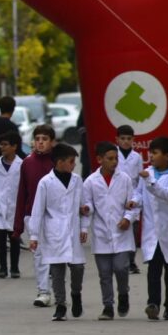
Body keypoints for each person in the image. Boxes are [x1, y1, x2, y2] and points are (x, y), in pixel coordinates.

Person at [28, 144, 85, 321]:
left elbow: (83, 206)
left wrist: (84, 227)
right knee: (57, 271)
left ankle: (76, 294)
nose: (73, 165)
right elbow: (38, 210)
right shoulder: (45, 182)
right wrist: (34, 236)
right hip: (54, 231)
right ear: (59, 162)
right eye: (70, 162)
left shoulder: (77, 180)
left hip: (73, 230)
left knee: (77, 268)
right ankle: (60, 305)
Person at [81, 142, 135, 320]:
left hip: (121, 232)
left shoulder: (125, 179)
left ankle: (123, 294)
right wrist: (86, 211)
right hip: (101, 232)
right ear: (99, 159)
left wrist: (128, 218)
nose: (114, 162)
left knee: (121, 268)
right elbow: (88, 203)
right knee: (104, 274)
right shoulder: (90, 181)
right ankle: (108, 306)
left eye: (116, 158)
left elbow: (133, 203)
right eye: (110, 159)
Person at [13, 124, 56, 307]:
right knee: (38, 254)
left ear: (52, 142)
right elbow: (22, 193)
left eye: (44, 139)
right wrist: (18, 226)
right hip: (32, 215)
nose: (40, 143)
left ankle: (58, 288)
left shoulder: (58, 162)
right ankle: (43, 291)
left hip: (55, 216)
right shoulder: (27, 163)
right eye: (38, 139)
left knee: (55, 254)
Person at [128, 136, 168, 320]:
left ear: (167, 156)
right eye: (150, 153)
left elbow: (167, 195)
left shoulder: (161, 177)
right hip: (152, 233)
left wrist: (151, 183)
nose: (151, 156)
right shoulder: (147, 173)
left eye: (155, 153)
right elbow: (139, 193)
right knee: (153, 270)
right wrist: (134, 202)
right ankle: (152, 303)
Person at [0, 131, 24, 279]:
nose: (2, 147)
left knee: (14, 239)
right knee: (0, 239)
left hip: (15, 207)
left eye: (6, 145)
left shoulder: (22, 165)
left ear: (14, 146)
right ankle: (2, 267)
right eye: (1, 144)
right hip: (0, 207)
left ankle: (14, 268)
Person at [116, 125, 143, 274]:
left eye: (129, 139)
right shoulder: (114, 154)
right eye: (123, 138)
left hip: (133, 196)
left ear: (133, 140)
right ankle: (121, 261)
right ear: (117, 139)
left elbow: (139, 179)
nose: (126, 141)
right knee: (120, 229)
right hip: (118, 196)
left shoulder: (137, 157)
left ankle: (131, 261)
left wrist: (139, 198)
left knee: (133, 231)